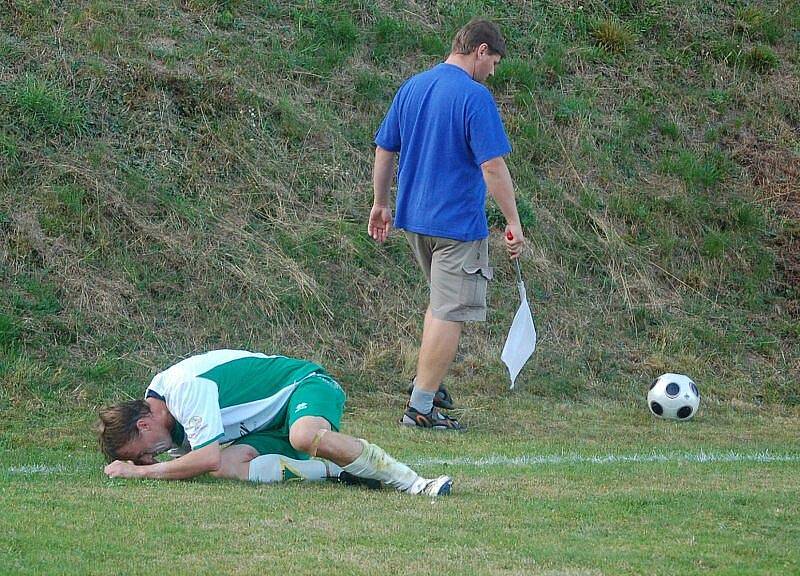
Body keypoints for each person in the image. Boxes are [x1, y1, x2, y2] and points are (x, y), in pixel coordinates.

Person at [368, 18, 525, 430]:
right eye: (494, 63)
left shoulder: (413, 87)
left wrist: (380, 203)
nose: (492, 72)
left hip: (415, 220)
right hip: (456, 225)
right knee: (450, 313)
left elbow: (385, 149)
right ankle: (420, 408)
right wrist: (513, 220)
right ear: (481, 51)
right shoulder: (474, 97)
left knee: (440, 307)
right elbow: (492, 165)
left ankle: (428, 385)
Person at [97, 349, 452, 496]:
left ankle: (413, 482)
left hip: (307, 384)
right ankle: (338, 470)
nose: (150, 458)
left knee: (303, 435)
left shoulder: (184, 389)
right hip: (268, 426)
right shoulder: (160, 408)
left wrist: (140, 474)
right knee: (227, 468)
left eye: (142, 453)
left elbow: (205, 457)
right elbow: (211, 462)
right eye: (143, 461)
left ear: (144, 425)